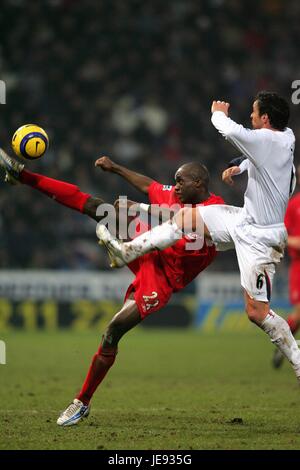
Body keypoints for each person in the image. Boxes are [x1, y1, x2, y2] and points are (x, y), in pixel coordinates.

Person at [0, 150, 224, 425]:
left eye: (181, 182)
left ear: (199, 184)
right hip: (149, 250)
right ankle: (23, 176)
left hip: (162, 280)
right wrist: (115, 167)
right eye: (174, 182)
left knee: (112, 331)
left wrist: (140, 210)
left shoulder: (216, 212)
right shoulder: (178, 195)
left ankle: (81, 402)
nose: (175, 187)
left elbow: (181, 222)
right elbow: (148, 185)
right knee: (98, 206)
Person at [97, 91, 300, 383]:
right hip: (244, 221)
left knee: (256, 313)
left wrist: (218, 112)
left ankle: (297, 359)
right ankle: (127, 251)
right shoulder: (286, 137)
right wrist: (241, 167)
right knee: (186, 218)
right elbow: (277, 166)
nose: (251, 117)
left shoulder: (268, 140)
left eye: (254, 113)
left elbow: (229, 130)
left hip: (261, 237)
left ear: (265, 118)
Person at [273, 165, 300, 368]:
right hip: (299, 266)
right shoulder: (293, 205)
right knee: (298, 314)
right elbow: (282, 237)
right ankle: (284, 345)